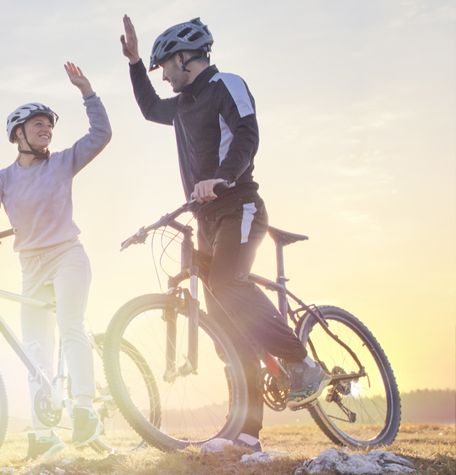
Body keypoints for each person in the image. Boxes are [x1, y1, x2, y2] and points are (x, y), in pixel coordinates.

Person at [118, 15, 332, 451]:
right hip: (208, 218)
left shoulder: (226, 84)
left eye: (163, 66)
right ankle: (248, 436)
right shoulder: (180, 106)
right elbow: (147, 108)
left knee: (227, 283)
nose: (163, 74)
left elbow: (247, 133)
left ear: (185, 58)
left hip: (241, 205)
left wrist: (222, 177)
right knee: (230, 329)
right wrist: (136, 62)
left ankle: (302, 363)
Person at [0, 62, 110, 460]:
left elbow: (101, 135)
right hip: (31, 267)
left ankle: (85, 408)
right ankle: (43, 433)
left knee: (70, 325)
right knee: (35, 350)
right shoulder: (3, 178)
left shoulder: (62, 162)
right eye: (37, 124)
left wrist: (87, 92)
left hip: (67, 255)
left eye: (49, 125)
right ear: (17, 134)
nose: (46, 129)